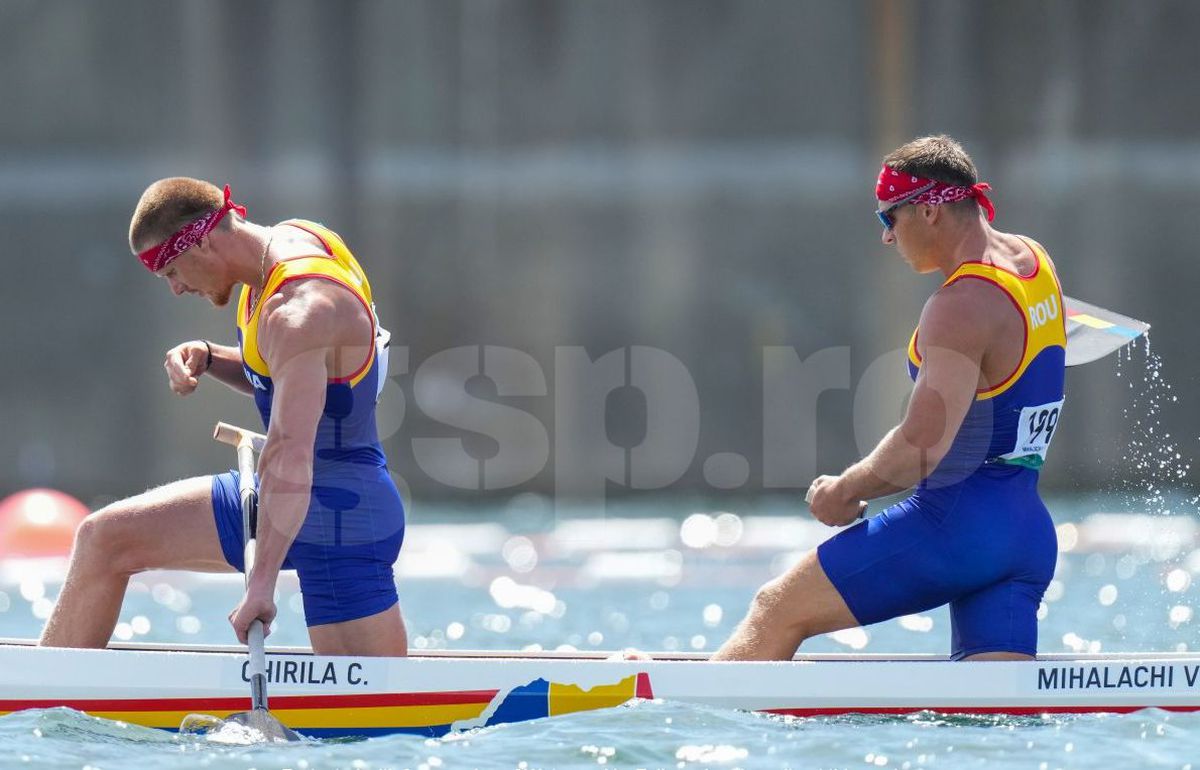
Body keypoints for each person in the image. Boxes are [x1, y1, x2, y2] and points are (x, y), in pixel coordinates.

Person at [714, 135, 1064, 662]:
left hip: (957, 527)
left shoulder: (960, 305)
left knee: (776, 609)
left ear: (927, 211)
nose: (886, 238)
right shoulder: (1034, 260)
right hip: (1026, 535)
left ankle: (680, 732)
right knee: (994, 730)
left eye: (887, 220)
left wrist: (843, 489)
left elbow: (922, 446)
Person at [39, 178, 407, 656]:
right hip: (291, 495)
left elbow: (291, 457)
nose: (175, 289)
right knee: (103, 539)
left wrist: (261, 585)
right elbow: (298, 373)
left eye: (172, 271)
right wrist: (211, 356)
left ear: (205, 241)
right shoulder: (294, 241)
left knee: (371, 726)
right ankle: (43, 699)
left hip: (340, 518)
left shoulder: (300, 310)